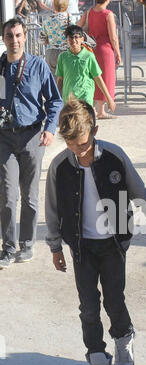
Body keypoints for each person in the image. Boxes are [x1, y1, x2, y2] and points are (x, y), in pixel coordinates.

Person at [45, 96, 146, 365]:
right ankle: (97, 361)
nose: (78, 151)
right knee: (88, 308)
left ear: (93, 130)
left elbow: (139, 190)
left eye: (82, 144)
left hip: (113, 244)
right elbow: (52, 209)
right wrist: (55, 246)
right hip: (81, 248)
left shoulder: (114, 157)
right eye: (71, 145)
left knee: (114, 300)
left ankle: (123, 336)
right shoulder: (59, 167)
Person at [0, 18, 62, 269]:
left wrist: (49, 129)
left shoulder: (37, 66)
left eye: (17, 35)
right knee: (7, 195)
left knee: (30, 196)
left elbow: (54, 101)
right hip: (4, 137)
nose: (14, 40)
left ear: (25, 37)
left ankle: (26, 244)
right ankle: (8, 247)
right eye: (9, 36)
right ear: (3, 39)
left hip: (32, 137)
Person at [56, 25, 115, 114]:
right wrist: (55, 98)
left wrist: (109, 98)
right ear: (66, 40)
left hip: (85, 97)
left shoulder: (89, 56)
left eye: (76, 37)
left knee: (86, 124)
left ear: (82, 39)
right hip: (69, 98)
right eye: (70, 38)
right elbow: (60, 79)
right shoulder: (63, 57)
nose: (74, 41)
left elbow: (98, 78)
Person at [77, 0, 121, 119]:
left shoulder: (89, 12)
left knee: (93, 77)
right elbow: (113, 37)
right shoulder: (108, 14)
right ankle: (101, 110)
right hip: (105, 48)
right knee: (106, 78)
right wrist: (118, 52)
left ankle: (94, 109)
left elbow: (77, 25)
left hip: (92, 48)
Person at [40, 0, 74, 81]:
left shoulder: (47, 20)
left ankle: (55, 93)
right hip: (66, 51)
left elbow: (41, 40)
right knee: (66, 79)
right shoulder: (69, 19)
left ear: (53, 6)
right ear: (66, 7)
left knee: (53, 80)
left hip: (51, 52)